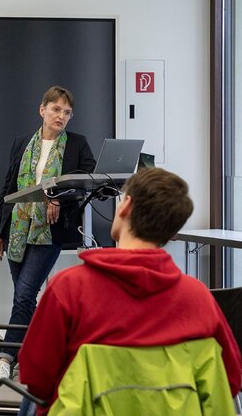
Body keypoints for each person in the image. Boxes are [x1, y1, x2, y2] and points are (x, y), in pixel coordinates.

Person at [18, 168, 242, 415]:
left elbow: (35, 376)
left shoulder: (69, 288)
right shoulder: (198, 298)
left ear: (126, 205)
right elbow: (229, 381)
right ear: (171, 233)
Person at [0, 85, 96, 381]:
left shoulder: (77, 144)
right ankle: (34, 356)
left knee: (24, 294)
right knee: (24, 299)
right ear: (42, 110)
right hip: (17, 228)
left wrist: (57, 198)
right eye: (56, 109)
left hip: (49, 231)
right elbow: (9, 187)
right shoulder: (23, 143)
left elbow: (86, 182)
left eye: (67, 112)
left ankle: (5, 359)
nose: (61, 116)